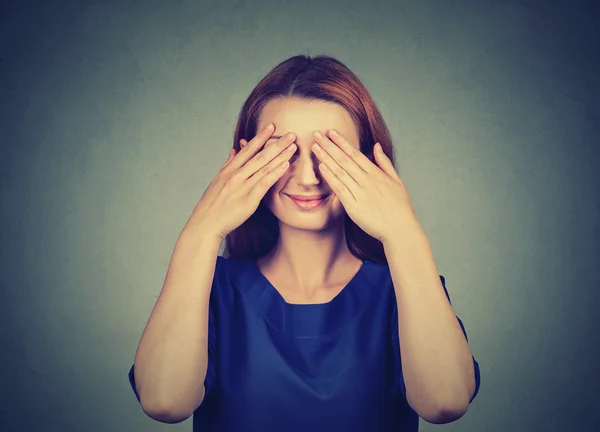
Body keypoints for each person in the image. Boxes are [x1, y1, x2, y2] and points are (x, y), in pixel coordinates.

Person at [127, 54, 481, 431]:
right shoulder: (212, 289)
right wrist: (201, 230)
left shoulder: (405, 288)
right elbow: (163, 402)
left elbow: (445, 402)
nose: (309, 178)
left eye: (330, 153)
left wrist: (404, 233)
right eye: (287, 153)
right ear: (247, 158)